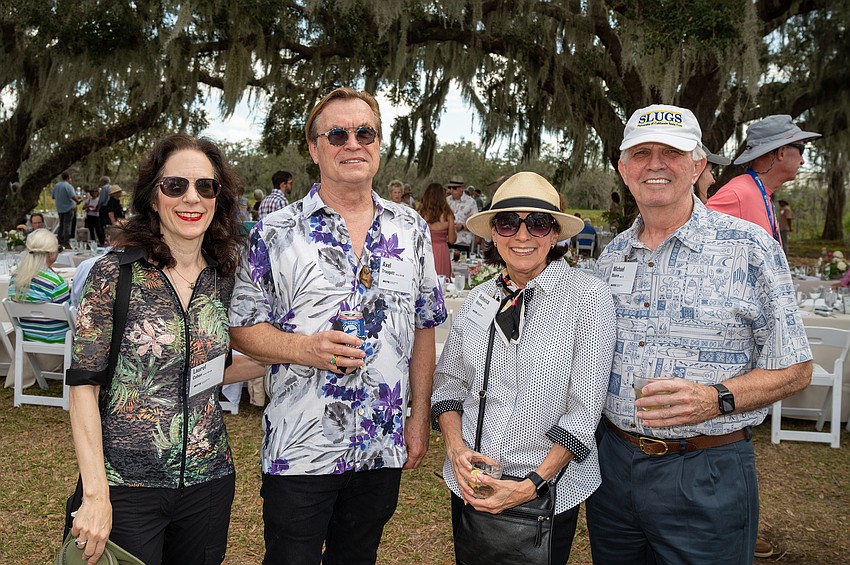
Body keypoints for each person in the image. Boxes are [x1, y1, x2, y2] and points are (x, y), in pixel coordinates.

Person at [586, 104, 813, 565]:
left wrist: (718, 398)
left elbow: (797, 370)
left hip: (707, 470)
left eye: (671, 152)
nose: (655, 163)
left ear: (698, 166)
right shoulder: (611, 258)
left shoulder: (749, 249)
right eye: (642, 153)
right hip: (612, 468)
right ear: (624, 170)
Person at [229, 86, 447, 565]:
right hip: (299, 445)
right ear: (313, 148)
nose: (353, 143)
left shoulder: (410, 229)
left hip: (380, 444)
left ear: (379, 142)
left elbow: (425, 326)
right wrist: (304, 349)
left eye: (364, 132)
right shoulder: (275, 231)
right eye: (337, 134)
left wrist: (417, 417)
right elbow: (242, 329)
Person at [66, 133, 247, 564]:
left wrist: (302, 352)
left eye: (206, 186)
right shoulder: (115, 273)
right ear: (152, 197)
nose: (192, 198)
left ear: (218, 198)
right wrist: (95, 494)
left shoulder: (223, 277)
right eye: (175, 186)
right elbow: (82, 387)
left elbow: (209, 369)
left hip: (209, 481)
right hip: (127, 486)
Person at [432, 172, 615, 564]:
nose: (522, 235)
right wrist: (456, 448)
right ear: (493, 234)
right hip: (473, 484)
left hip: (548, 488)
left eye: (538, 222)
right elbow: (448, 386)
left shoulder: (588, 298)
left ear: (555, 235)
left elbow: (584, 412)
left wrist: (531, 484)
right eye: (508, 222)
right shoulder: (478, 300)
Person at [707, 115, 820, 244]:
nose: (802, 161)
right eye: (801, 150)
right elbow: (697, 236)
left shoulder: (760, 193)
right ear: (781, 152)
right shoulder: (738, 193)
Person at [8, 228, 70, 343]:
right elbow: (69, 317)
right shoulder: (56, 282)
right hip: (59, 341)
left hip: (28, 338)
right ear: (51, 254)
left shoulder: (15, 277)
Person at [419, 182, 456, 279]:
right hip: (441, 251)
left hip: (425, 250)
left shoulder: (421, 213)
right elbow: (452, 240)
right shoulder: (448, 214)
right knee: (442, 282)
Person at [446, 176, 477, 255]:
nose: (451, 190)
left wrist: (462, 227)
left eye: (454, 188)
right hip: (447, 241)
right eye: (450, 188)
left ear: (462, 188)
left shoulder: (471, 202)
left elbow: (475, 223)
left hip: (462, 243)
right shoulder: (446, 200)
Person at [52, 171, 80, 246]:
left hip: (60, 208)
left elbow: (53, 196)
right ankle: (66, 242)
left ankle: (60, 240)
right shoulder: (68, 186)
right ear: (68, 178)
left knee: (61, 225)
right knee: (67, 225)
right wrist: (78, 201)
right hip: (68, 208)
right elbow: (72, 196)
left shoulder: (56, 185)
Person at [96, 175, 111, 244]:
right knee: (108, 224)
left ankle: (102, 240)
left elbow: (102, 199)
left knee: (102, 224)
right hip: (109, 207)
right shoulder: (111, 187)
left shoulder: (104, 188)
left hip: (104, 207)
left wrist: (98, 206)